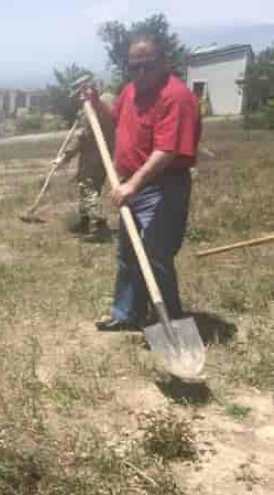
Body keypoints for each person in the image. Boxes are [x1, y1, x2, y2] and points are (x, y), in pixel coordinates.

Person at [87, 35, 201, 331]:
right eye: (133, 67)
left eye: (147, 66)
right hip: (133, 185)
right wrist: (95, 104)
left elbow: (167, 151)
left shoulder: (176, 97)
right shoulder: (131, 91)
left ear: (164, 62)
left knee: (155, 254)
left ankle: (170, 322)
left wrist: (132, 185)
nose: (140, 73)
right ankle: (127, 314)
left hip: (163, 187)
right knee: (128, 253)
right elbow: (116, 119)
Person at [53, 92, 116, 238]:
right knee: (89, 189)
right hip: (101, 159)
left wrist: (65, 157)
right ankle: (85, 221)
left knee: (88, 189)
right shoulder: (109, 120)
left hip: (92, 160)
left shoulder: (94, 120)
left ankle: (98, 224)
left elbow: (80, 139)